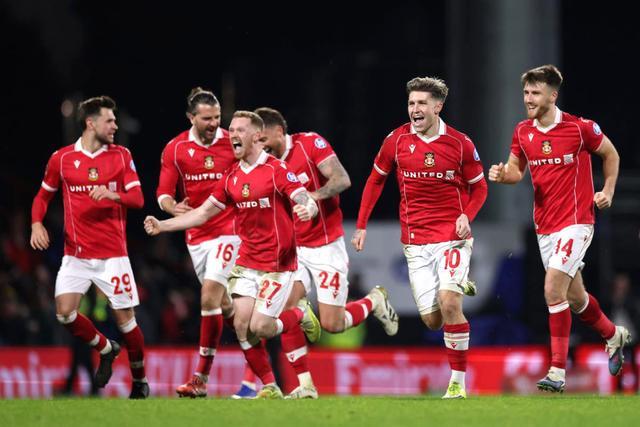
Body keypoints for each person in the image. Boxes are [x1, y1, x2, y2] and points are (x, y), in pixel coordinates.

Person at [144, 111, 321, 399]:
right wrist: (163, 225)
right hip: (247, 262)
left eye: (240, 130)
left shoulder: (276, 169)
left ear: (257, 136)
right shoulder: (231, 177)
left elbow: (303, 196)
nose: (233, 135)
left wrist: (308, 208)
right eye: (232, 129)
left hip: (277, 265)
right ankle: (270, 387)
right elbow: (202, 213)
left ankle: (300, 313)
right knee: (241, 325)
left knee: (261, 327)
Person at [488, 64, 629, 393]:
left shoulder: (580, 129)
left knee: (552, 288)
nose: (528, 99)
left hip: (577, 221)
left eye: (535, 93)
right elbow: (516, 171)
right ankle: (613, 335)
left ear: (553, 96)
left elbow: (611, 154)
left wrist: (607, 191)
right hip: (545, 227)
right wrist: (503, 175)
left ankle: (557, 371)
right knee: (575, 298)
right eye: (526, 92)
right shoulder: (522, 131)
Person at [352, 77, 488, 399]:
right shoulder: (396, 140)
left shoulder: (460, 143)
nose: (415, 109)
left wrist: (466, 216)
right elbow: (375, 181)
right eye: (411, 103)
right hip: (415, 242)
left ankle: (457, 383)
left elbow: (480, 187)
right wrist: (361, 225)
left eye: (422, 103)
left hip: (452, 237)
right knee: (432, 320)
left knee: (450, 301)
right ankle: (456, 282)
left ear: (438, 106)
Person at [249, 107, 399, 399]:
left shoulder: (309, 144)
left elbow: (342, 179)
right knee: (286, 309)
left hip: (326, 246)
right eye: (258, 141)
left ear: (279, 131)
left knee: (333, 324)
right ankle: (305, 385)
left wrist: (313, 197)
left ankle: (374, 301)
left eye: (263, 139)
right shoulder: (264, 165)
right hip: (294, 251)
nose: (261, 146)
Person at [30, 96, 149, 399]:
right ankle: (106, 349)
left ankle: (139, 381)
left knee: (127, 324)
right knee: (64, 313)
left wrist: (113, 195)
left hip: (113, 256)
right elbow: (43, 196)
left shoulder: (121, 155)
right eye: (110, 120)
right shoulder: (62, 159)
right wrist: (36, 224)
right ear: (91, 123)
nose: (115, 126)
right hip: (76, 255)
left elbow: (138, 200)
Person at [156, 88, 240, 398]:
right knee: (225, 306)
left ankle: (200, 379)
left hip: (231, 231)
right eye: (207, 119)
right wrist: (171, 207)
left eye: (217, 117)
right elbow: (164, 192)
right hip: (197, 237)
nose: (214, 124)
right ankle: (261, 351)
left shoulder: (233, 142)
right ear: (191, 117)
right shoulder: (175, 149)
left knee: (208, 298)